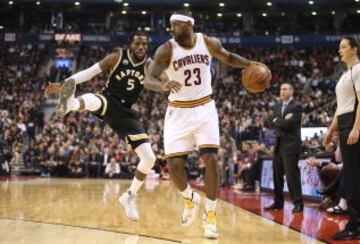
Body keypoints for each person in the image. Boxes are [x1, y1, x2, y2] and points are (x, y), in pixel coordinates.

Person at [144, 10, 269, 239]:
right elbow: (148, 78)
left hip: (204, 108)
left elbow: (228, 57)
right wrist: (161, 86)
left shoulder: (207, 42)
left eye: (176, 24)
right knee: (174, 166)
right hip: (178, 111)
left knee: (211, 159)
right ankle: (189, 198)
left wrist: (250, 64)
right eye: (171, 25)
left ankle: (210, 215)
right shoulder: (166, 49)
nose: (172, 28)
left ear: (189, 24)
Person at [44, 31, 158, 221]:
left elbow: (160, 79)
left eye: (144, 45)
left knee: (149, 158)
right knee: (94, 101)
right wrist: (63, 83)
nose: (140, 47)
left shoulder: (149, 65)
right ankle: (69, 104)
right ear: (131, 44)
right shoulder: (116, 57)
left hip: (127, 113)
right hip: (108, 99)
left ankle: (129, 197)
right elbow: (90, 73)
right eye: (137, 44)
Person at [323, 36, 360, 240]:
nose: (340, 50)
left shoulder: (359, 70)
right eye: (339, 48)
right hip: (344, 124)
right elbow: (340, 108)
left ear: (354, 49)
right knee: (351, 175)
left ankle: (355, 225)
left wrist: (356, 127)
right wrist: (330, 131)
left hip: (354, 124)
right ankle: (355, 222)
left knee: (354, 176)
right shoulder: (345, 74)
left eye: (344, 47)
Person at [264, 83, 304, 213]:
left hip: (291, 145)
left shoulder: (296, 106)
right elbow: (269, 122)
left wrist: (277, 120)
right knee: (277, 176)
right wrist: (279, 120)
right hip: (278, 145)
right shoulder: (277, 105)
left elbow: (289, 124)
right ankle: (278, 202)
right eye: (281, 89)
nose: (282, 91)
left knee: (292, 176)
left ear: (291, 91)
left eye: (285, 89)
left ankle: (298, 203)